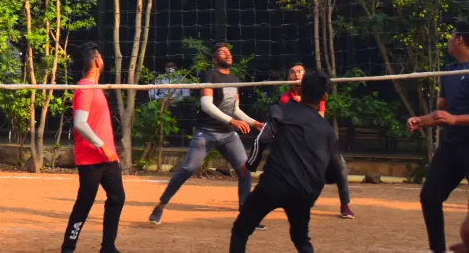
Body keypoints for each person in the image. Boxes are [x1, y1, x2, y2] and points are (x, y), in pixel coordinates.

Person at [149, 42, 262, 225]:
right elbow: (206, 105)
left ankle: (246, 215)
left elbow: (235, 109)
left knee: (244, 169)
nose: (228, 54)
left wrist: (254, 122)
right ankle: (160, 206)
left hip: (227, 134)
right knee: (188, 169)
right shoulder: (209, 75)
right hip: (206, 132)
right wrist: (233, 121)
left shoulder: (235, 78)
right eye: (222, 52)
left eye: (229, 52)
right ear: (215, 58)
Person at [231, 70, 338, 252]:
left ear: (301, 90)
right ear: (324, 97)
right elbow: (333, 171)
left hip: (275, 184)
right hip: (305, 191)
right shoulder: (328, 131)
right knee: (301, 238)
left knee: (241, 230)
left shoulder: (281, 110)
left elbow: (263, 138)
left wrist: (249, 165)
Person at [410, 19, 469, 253]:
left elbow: (451, 117)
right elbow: (442, 112)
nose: (448, 39)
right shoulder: (449, 71)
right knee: (429, 197)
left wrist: (455, 120)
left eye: (451, 35)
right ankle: (438, 250)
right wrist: (420, 121)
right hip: (452, 146)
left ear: (459, 39)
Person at [60, 43, 125, 253]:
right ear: (97, 61)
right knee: (85, 202)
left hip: (107, 156)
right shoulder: (85, 87)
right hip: (91, 157)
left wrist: (110, 151)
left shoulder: (95, 88)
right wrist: (102, 146)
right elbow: (80, 123)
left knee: (117, 198)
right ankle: (68, 247)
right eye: (102, 58)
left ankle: (108, 247)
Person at [280, 62, 354, 219]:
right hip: (298, 139)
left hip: (319, 136)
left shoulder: (317, 93)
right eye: (292, 72)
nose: (296, 74)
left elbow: (319, 117)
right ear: (288, 78)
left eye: (300, 71)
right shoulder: (286, 99)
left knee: (339, 165)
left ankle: (345, 204)